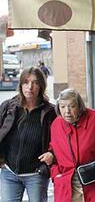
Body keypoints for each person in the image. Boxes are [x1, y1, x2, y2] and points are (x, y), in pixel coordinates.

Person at [41, 88, 95, 202]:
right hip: (67, 185)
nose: (67, 111)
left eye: (71, 106)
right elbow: (54, 150)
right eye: (63, 106)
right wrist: (56, 176)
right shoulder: (56, 125)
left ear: (79, 106)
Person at [0, 67, 56, 202]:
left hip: (36, 174)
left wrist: (52, 154)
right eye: (26, 82)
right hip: (9, 172)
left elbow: (60, 140)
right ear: (21, 85)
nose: (30, 87)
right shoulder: (9, 107)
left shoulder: (50, 112)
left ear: (41, 86)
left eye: (35, 83)